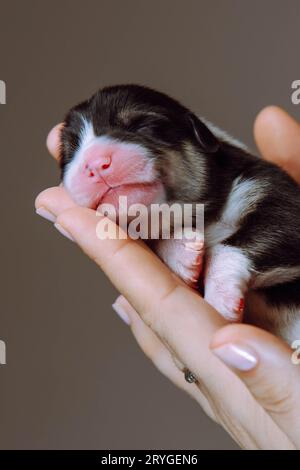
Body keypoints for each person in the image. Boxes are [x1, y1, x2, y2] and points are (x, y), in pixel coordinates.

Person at [35, 106, 300, 450]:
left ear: (202, 136)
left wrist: (231, 263)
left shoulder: (252, 188)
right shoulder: (164, 241)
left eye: (142, 125)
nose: (94, 161)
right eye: (72, 154)